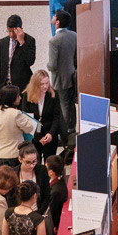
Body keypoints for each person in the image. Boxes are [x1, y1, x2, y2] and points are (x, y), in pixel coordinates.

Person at [0, 85, 35, 169]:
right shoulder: (16, 114)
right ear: (11, 98)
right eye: (18, 96)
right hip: (13, 155)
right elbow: (29, 128)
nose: (20, 98)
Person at [20, 70, 63, 161]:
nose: (45, 86)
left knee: (49, 163)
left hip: (50, 134)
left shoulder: (53, 94)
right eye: (42, 84)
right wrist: (38, 138)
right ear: (35, 84)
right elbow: (27, 119)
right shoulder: (27, 96)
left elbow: (57, 117)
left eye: (47, 83)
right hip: (35, 137)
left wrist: (51, 133)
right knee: (35, 163)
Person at [48, 10, 76, 144]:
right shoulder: (73, 35)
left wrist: (47, 65)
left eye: (54, 16)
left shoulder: (54, 41)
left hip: (59, 79)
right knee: (71, 104)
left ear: (57, 22)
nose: (53, 17)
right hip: (72, 75)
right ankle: (72, 128)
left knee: (63, 106)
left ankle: (65, 135)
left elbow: (52, 65)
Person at [15, 142, 52, 216]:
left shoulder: (41, 170)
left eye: (34, 161)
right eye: (28, 162)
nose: (32, 165)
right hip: (19, 214)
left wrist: (38, 214)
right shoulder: (14, 173)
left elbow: (47, 195)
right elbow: (10, 198)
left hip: (38, 212)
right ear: (20, 159)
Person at [46, 156, 68, 231]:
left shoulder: (56, 191)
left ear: (51, 172)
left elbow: (51, 212)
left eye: (46, 167)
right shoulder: (59, 178)